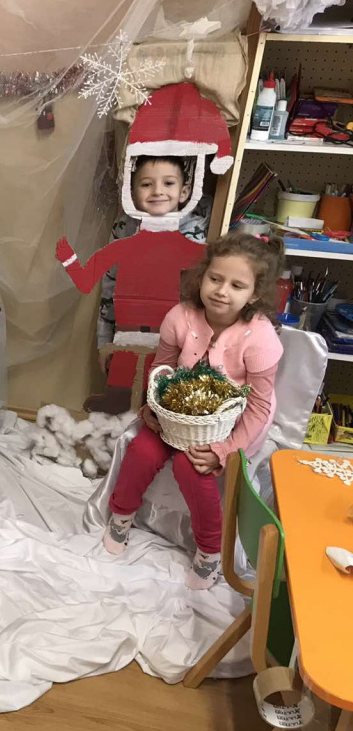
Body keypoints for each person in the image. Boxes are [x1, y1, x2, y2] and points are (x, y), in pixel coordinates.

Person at [101, 232, 285, 590]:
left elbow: (260, 405)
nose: (221, 291)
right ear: (202, 276)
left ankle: (210, 551)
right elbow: (163, 368)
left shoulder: (260, 337)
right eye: (215, 279)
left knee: (192, 467)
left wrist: (225, 449)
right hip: (176, 413)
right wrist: (152, 407)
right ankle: (121, 516)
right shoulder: (181, 316)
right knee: (142, 450)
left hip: (228, 424)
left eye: (237, 286)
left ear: (254, 294)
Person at [97, 155, 210, 374]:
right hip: (132, 331)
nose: (158, 191)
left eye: (168, 183)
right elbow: (109, 287)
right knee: (126, 382)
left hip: (181, 341)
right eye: (147, 184)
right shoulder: (125, 229)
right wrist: (104, 343)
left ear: (184, 192)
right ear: (132, 192)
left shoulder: (195, 232)